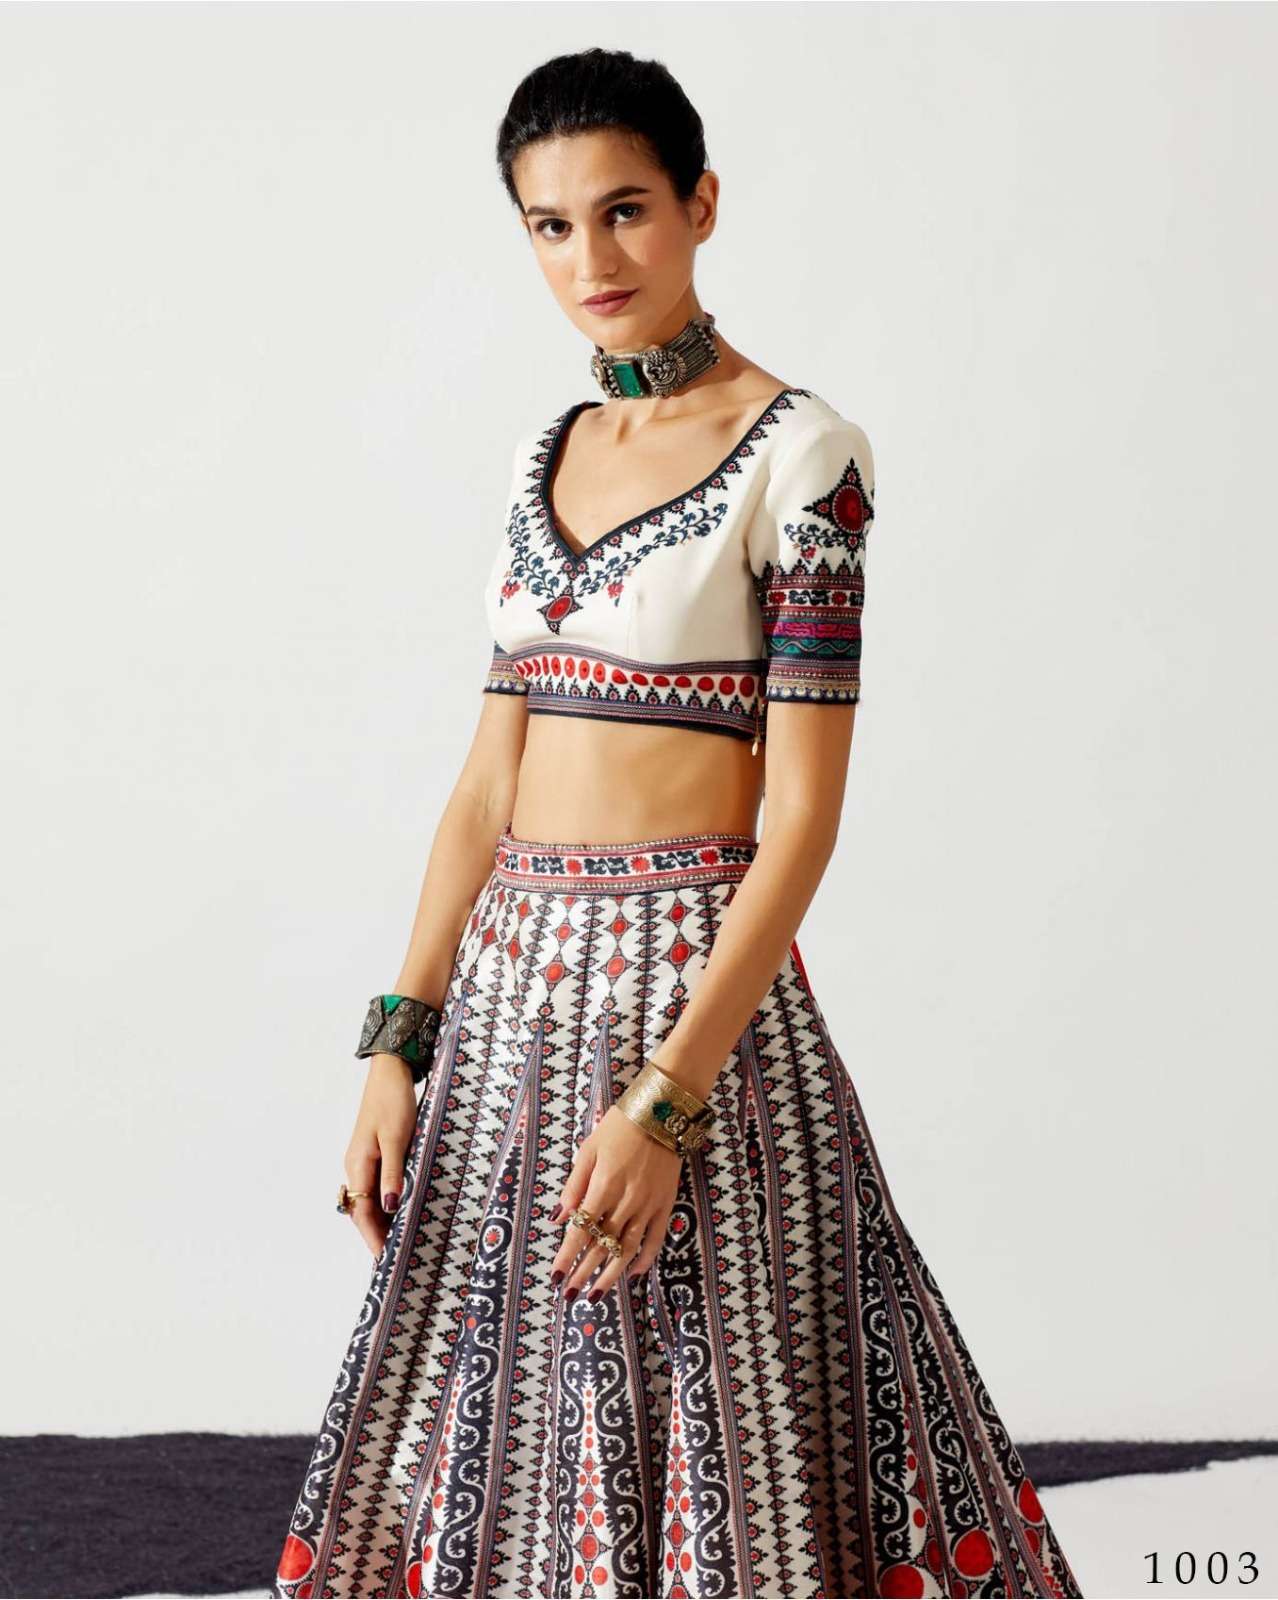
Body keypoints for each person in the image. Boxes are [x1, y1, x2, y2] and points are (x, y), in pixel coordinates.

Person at [272, 46, 1084, 1600]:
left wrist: (664, 1104)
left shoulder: (805, 457)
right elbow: (485, 783)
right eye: (550, 225)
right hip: (509, 1004)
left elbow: (802, 820)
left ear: (701, 204)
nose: (592, 257)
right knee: (495, 1420)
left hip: (690, 1002)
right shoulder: (547, 455)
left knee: (725, 1408)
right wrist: (398, 1038)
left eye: (626, 209)